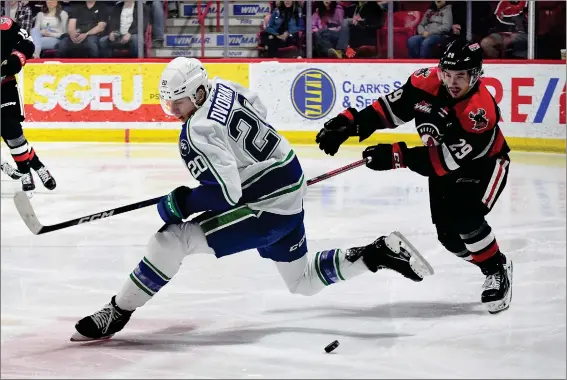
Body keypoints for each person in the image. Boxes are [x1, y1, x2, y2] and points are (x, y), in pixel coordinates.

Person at [70, 57, 434, 342]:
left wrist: (180, 202)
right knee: (302, 281)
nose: (174, 111)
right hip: (289, 186)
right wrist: (255, 166)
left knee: (169, 239)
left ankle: (117, 312)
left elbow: (227, 193)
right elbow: (258, 109)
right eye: (169, 104)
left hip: (267, 210)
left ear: (197, 93)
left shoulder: (197, 130)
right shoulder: (224, 86)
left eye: (178, 103)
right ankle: (376, 253)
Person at [315, 40, 513, 314]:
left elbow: (444, 161)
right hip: (443, 165)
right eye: (448, 74)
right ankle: (491, 260)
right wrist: (350, 124)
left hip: (484, 165)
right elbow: (387, 110)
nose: (452, 82)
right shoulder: (425, 82)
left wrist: (397, 156)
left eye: (461, 77)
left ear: (475, 76)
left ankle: (496, 270)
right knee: (449, 238)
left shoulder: (478, 112)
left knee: (465, 217)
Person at [1, 16, 56, 192]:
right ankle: (38, 166)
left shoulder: (5, 25)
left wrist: (16, 59)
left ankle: (25, 172)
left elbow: (27, 42)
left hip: (5, 87)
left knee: (13, 134)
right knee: (11, 137)